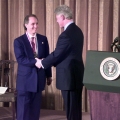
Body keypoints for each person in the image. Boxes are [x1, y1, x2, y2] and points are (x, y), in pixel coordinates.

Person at [36, 5, 84, 120]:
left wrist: (42, 63)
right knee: (75, 108)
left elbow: (58, 54)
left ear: (62, 17)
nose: (57, 21)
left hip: (69, 77)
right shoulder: (78, 31)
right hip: (76, 75)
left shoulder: (66, 35)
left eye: (57, 18)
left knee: (71, 110)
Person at [14, 14, 52, 120]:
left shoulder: (43, 39)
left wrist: (49, 75)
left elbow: (47, 58)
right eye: (33, 24)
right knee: (23, 111)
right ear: (26, 25)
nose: (35, 26)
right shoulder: (19, 41)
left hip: (39, 80)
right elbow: (20, 59)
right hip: (25, 81)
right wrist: (35, 61)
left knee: (35, 111)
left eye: (37, 23)